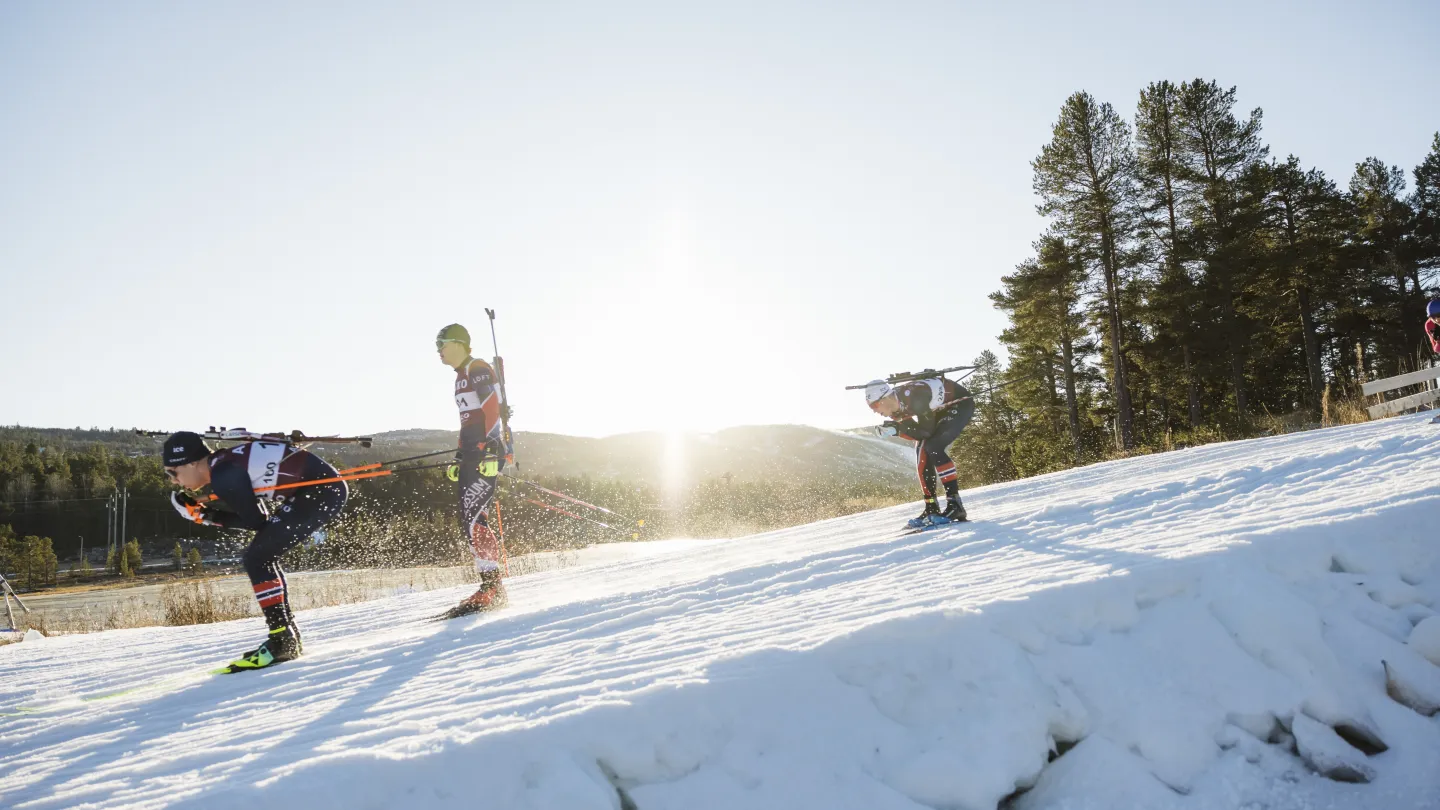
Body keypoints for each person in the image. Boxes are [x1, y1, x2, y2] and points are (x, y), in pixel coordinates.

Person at [162, 431, 347, 671]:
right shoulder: (223, 464)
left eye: (172, 472)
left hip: (321, 492)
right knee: (259, 556)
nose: (174, 481)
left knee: (257, 558)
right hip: (318, 491)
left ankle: (282, 640)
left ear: (192, 463)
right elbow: (260, 519)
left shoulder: (224, 474)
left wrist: (205, 516)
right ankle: (285, 636)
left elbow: (256, 522)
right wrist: (206, 515)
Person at [436, 323, 511, 618]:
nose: (438, 350)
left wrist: (493, 447)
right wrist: (458, 455)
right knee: (469, 518)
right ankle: (490, 586)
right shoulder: (459, 378)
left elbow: (492, 408)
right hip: (471, 453)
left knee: (476, 519)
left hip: (485, 452)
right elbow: (468, 420)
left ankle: (492, 588)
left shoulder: (477, 368)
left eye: (441, 343)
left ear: (459, 343)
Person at [865, 376, 975, 528]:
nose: (875, 411)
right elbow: (916, 433)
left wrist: (898, 430)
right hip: (937, 409)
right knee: (922, 449)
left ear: (883, 399)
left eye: (875, 406)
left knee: (933, 446)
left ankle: (955, 505)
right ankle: (931, 508)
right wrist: (898, 430)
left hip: (960, 403)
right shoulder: (894, 409)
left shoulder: (916, 396)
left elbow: (925, 432)